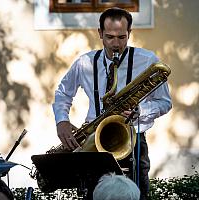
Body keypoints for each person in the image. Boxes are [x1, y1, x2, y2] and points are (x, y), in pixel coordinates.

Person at [52, 7, 172, 199]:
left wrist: (141, 110)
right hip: (93, 138)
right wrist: (62, 122)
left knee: (137, 194)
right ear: (100, 34)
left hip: (132, 139)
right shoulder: (85, 63)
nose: (116, 44)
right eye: (109, 37)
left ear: (129, 33)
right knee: (92, 194)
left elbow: (165, 103)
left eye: (122, 37)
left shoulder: (147, 60)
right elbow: (63, 93)